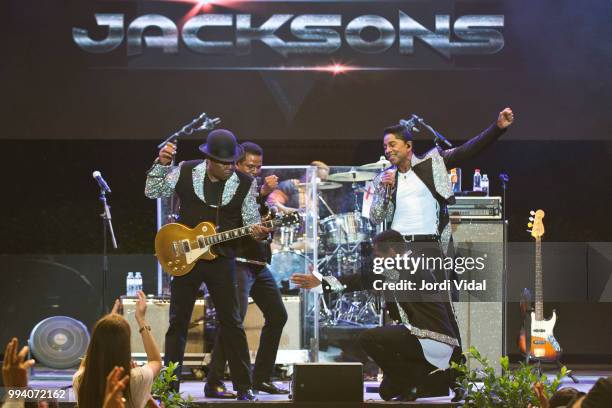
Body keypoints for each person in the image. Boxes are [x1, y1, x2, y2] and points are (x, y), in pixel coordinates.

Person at [293, 108, 515, 401]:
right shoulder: (384, 178)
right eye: (385, 146)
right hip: (395, 250)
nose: (388, 150)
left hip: (430, 248)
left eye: (392, 145)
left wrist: (497, 128)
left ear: (409, 146)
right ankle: (414, 376)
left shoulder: (432, 165)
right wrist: (384, 192)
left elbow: (465, 151)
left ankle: (458, 380)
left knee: (445, 314)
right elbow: (376, 217)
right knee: (400, 315)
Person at [145, 129, 269, 401]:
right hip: (186, 256)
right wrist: (162, 164)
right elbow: (152, 190)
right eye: (223, 162)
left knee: (232, 322)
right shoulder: (186, 171)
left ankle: (243, 387)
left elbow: (250, 222)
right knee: (177, 323)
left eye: (231, 162)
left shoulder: (244, 183)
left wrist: (258, 231)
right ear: (209, 160)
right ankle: (169, 388)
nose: (229, 167)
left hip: (221, 258)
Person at [206, 142, 289, 397]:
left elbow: (259, 226)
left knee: (277, 315)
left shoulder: (256, 190)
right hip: (238, 263)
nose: (254, 170)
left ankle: (260, 378)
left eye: (258, 166)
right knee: (233, 322)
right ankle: (214, 382)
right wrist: (262, 194)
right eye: (249, 166)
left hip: (258, 265)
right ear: (237, 164)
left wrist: (269, 221)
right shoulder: (233, 188)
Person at [73, 291, 162, 408]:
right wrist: (140, 319)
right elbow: (156, 361)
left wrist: (106, 325)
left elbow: (89, 357)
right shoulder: (136, 378)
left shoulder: (80, 380)